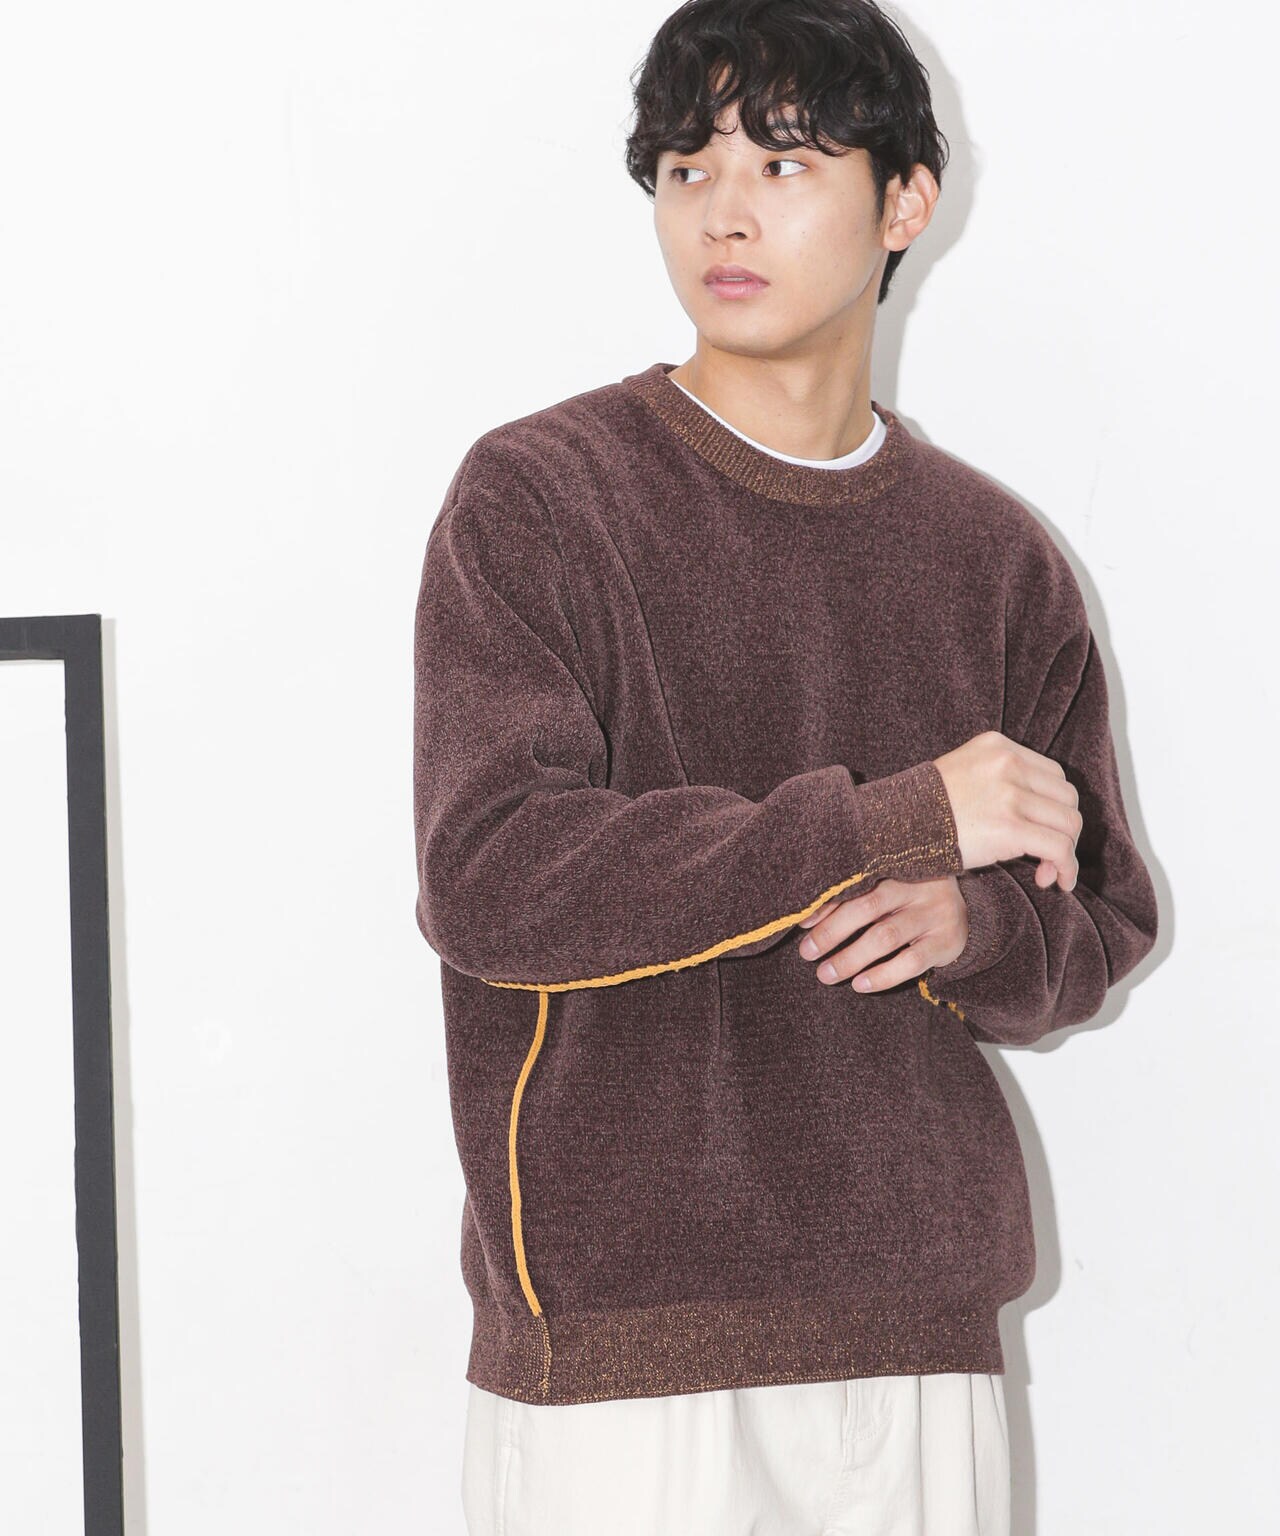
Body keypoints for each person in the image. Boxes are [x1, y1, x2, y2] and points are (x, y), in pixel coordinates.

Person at [411, 1, 1159, 1531]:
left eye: (786, 161)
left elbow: (1100, 919)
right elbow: (491, 876)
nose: (723, 212)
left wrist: (973, 922)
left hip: (916, 1337)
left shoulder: (996, 559)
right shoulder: (542, 498)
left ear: (906, 202)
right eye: (688, 166)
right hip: (626, 1351)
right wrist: (897, 822)